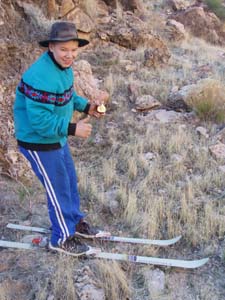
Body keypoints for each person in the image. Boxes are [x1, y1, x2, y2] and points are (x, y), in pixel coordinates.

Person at [13, 21, 106, 256]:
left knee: (68, 182)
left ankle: (73, 223)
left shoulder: (63, 69)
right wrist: (73, 128)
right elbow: (40, 122)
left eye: (74, 50)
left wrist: (87, 106)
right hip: (37, 141)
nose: (70, 55)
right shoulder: (40, 76)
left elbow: (68, 95)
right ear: (51, 47)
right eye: (64, 49)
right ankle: (61, 239)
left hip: (55, 138)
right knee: (58, 189)